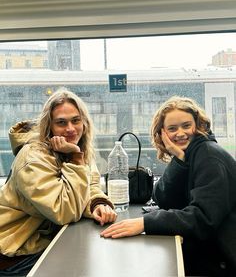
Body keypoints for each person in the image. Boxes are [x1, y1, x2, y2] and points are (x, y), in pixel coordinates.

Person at [101, 96, 236, 276]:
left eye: (186, 126)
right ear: (163, 133)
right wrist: (178, 161)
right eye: (172, 129)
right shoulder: (190, 155)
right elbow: (164, 199)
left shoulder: (210, 157)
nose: (180, 133)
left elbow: (203, 219)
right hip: (207, 250)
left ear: (198, 125)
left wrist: (145, 223)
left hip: (221, 260)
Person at [0, 88, 117, 276]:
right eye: (61, 122)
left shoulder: (76, 150)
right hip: (15, 253)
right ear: (50, 126)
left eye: (76, 120)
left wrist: (98, 203)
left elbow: (90, 186)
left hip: (40, 242)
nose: (70, 129)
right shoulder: (33, 158)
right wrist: (75, 159)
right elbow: (64, 210)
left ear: (84, 123)